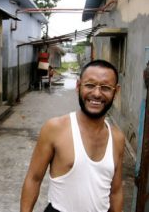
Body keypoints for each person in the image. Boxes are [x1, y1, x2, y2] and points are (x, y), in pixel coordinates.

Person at [20, 59, 125, 212]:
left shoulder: (117, 138)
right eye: (89, 85)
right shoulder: (55, 128)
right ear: (78, 86)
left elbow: (115, 192)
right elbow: (33, 179)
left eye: (105, 87)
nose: (96, 93)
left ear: (116, 91)